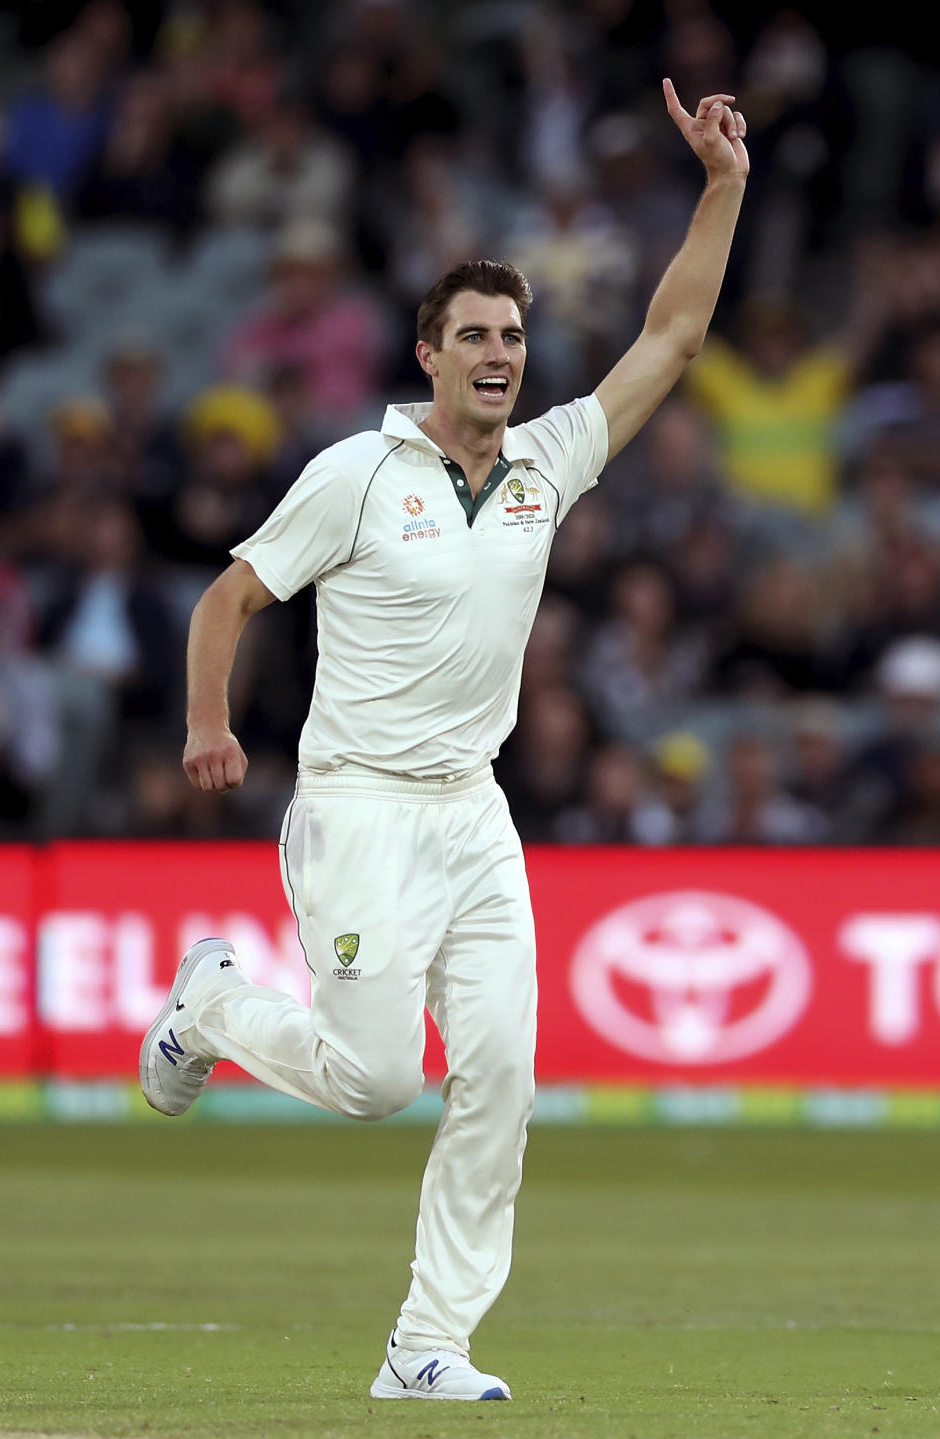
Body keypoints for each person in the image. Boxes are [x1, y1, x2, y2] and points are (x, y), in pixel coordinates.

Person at [140, 81, 748, 1402]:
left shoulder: (547, 463)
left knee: (505, 1076)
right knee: (371, 1085)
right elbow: (228, 596)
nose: (498, 353)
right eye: (472, 333)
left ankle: (429, 1344)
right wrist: (208, 723)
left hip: (473, 813)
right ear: (428, 354)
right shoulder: (356, 474)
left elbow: (676, 337)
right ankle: (213, 1006)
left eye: (514, 335)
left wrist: (723, 185)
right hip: (356, 803)